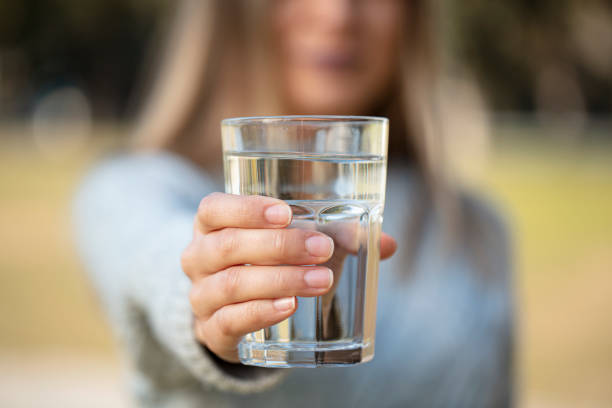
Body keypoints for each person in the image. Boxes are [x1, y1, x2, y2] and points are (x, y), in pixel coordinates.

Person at [74, 1, 514, 407]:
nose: (337, 13)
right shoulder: (131, 189)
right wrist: (214, 291)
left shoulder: (478, 230)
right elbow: (154, 253)